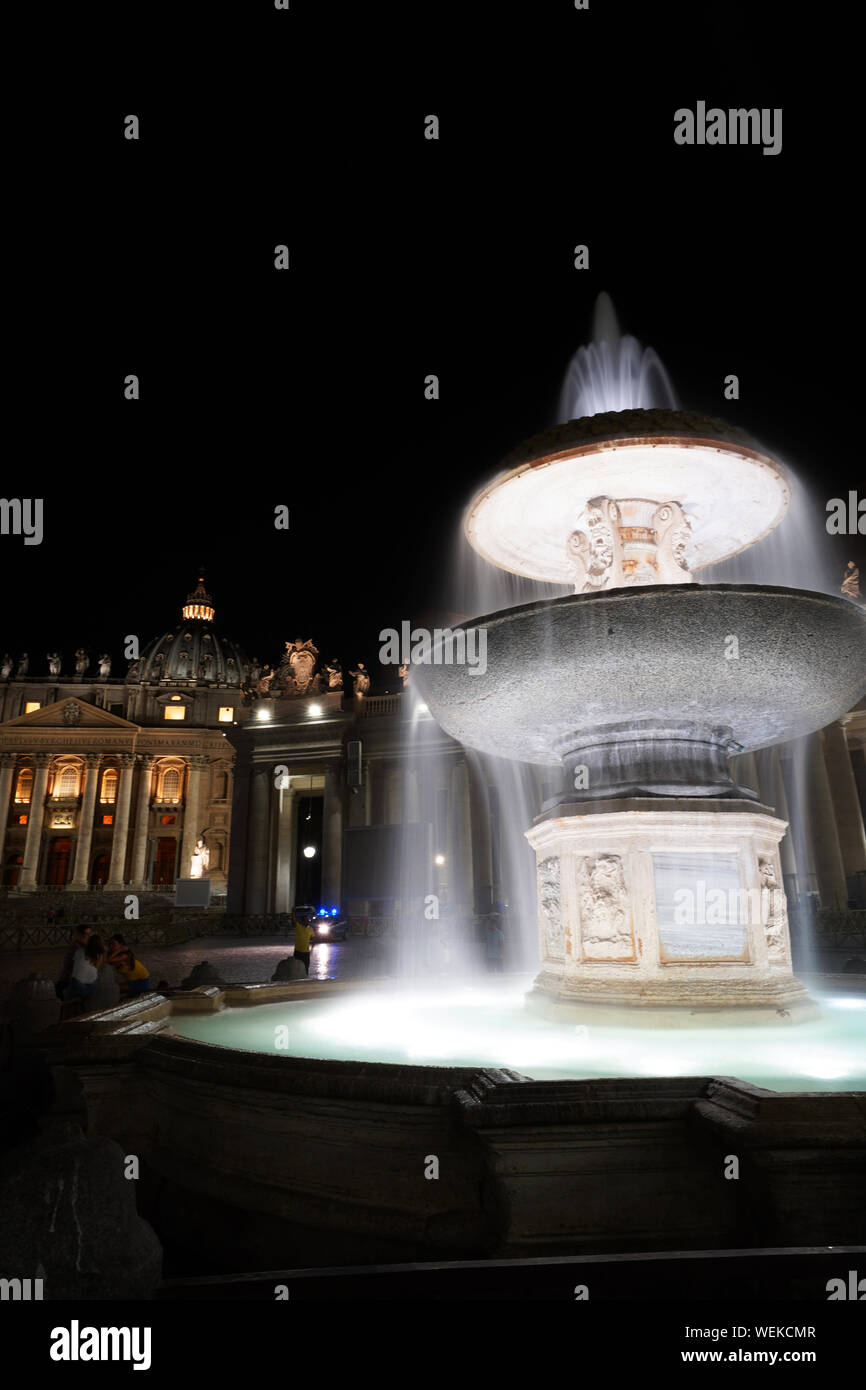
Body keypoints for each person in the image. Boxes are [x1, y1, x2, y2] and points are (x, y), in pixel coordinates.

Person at [66, 933, 105, 1007]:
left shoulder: (79, 951)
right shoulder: (100, 955)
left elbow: (73, 966)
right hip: (92, 987)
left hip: (78, 984)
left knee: (69, 997)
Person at [56, 924, 91, 999]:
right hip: (69, 982)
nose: (89, 936)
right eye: (86, 934)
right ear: (80, 935)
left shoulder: (82, 947)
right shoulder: (76, 948)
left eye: (90, 934)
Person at [292, 909, 316, 976]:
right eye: (306, 920)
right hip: (298, 951)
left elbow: (314, 939)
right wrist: (293, 913)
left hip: (306, 952)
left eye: (308, 920)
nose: (308, 921)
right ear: (303, 921)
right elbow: (294, 921)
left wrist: (312, 947)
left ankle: (305, 978)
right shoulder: (298, 927)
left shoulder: (310, 929)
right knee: (296, 967)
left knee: (306, 967)